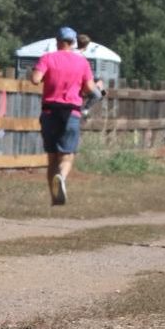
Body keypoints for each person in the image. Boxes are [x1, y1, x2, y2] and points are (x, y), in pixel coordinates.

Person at [34, 26, 97, 205]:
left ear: (57, 41)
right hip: (71, 112)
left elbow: (35, 79)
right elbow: (90, 89)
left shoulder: (47, 58)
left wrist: (47, 77)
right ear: (73, 42)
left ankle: (55, 199)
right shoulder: (82, 62)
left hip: (49, 110)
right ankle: (61, 177)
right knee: (67, 155)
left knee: (52, 157)